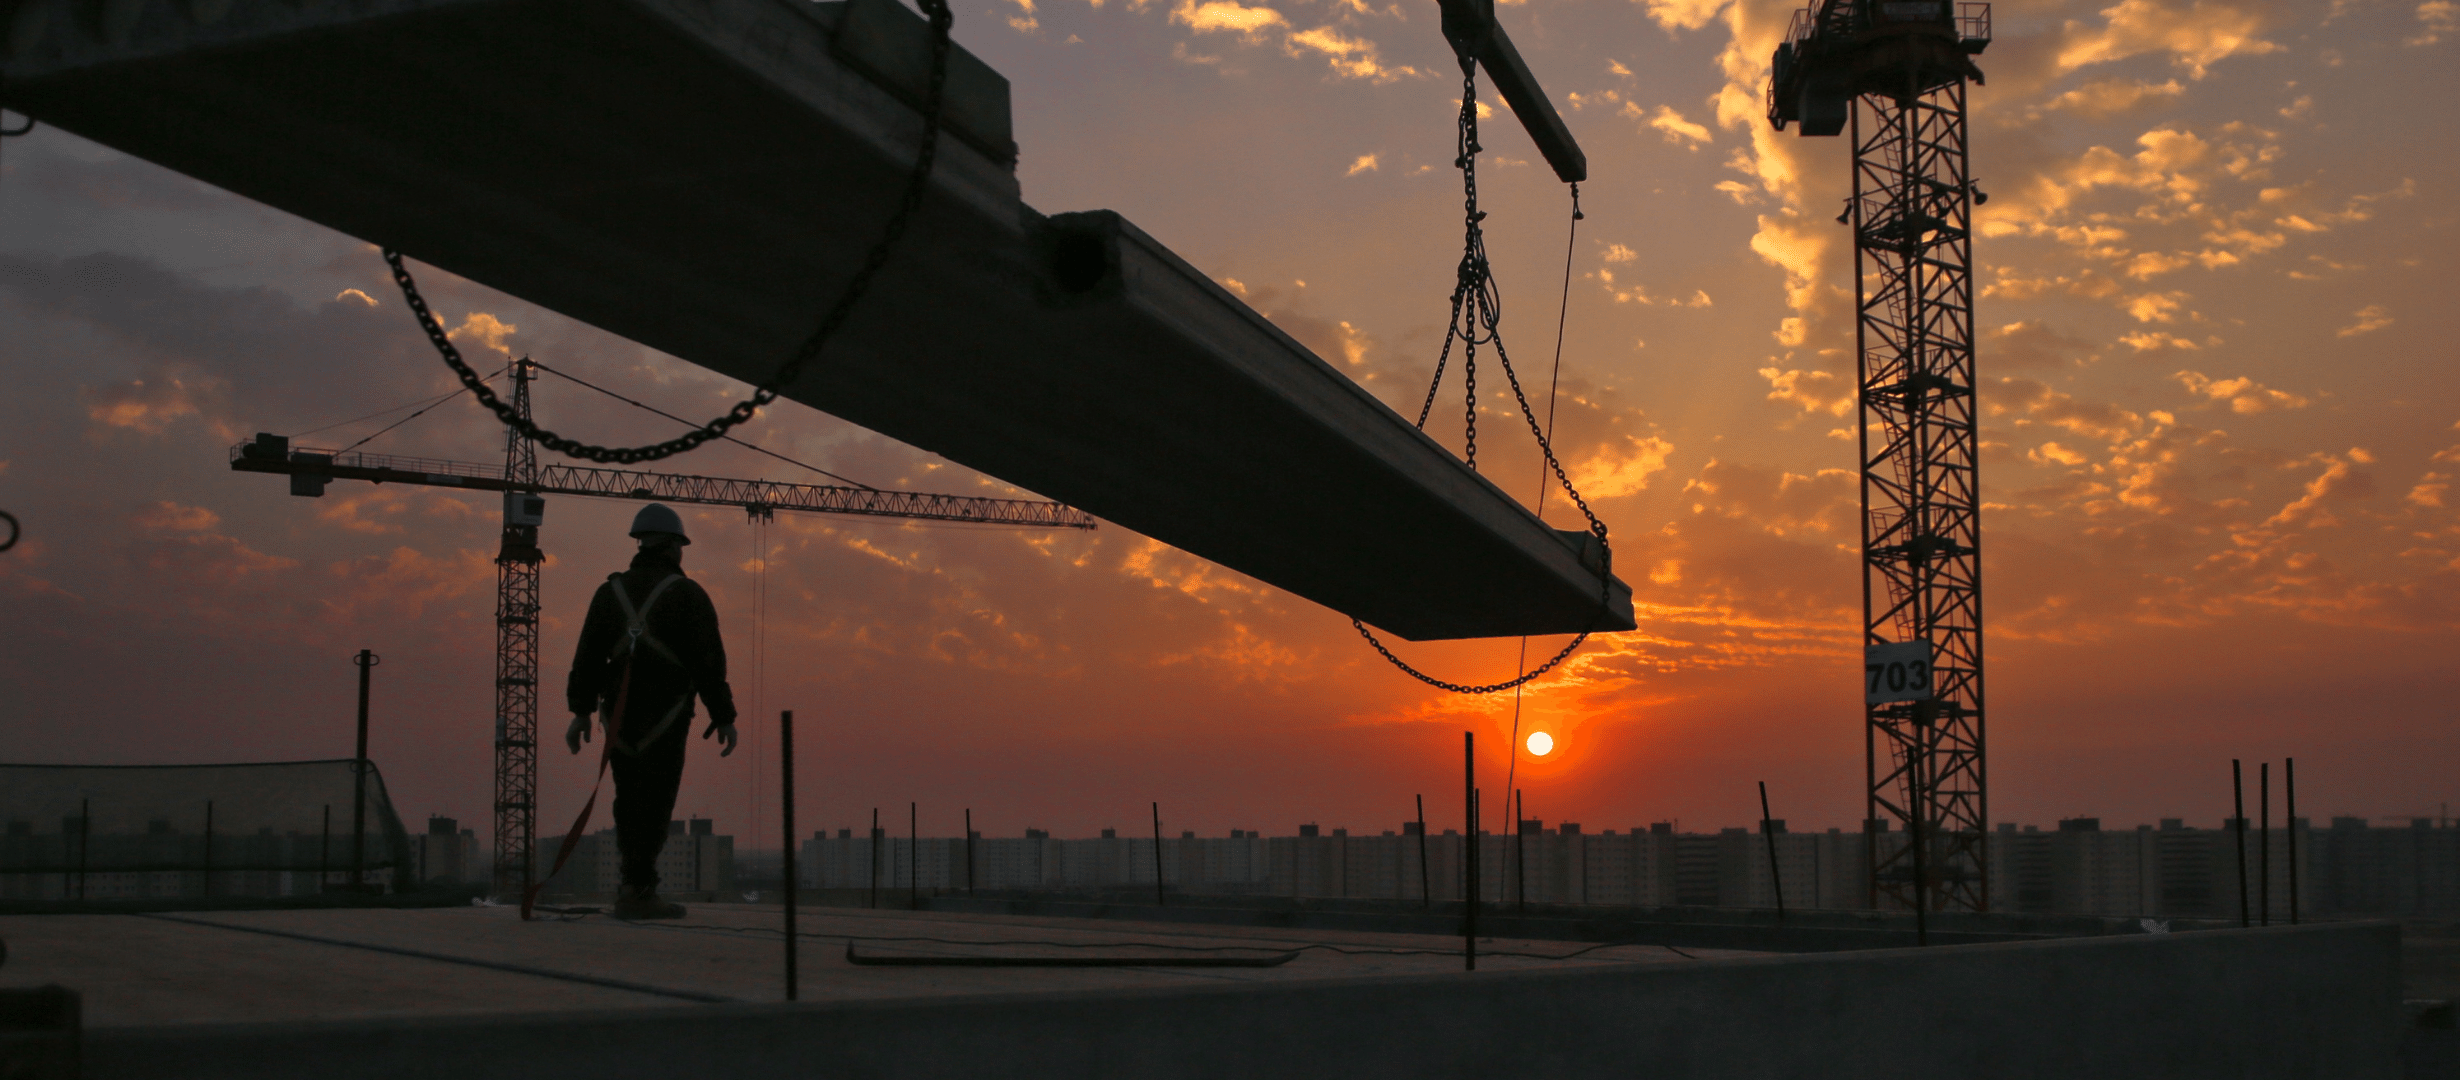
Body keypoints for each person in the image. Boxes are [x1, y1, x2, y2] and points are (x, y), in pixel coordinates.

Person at [564, 503, 739, 920]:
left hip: (619, 718)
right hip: (666, 716)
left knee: (628, 801)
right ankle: (640, 892)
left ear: (639, 544)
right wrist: (724, 715)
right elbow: (708, 662)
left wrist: (581, 713)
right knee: (656, 801)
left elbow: (587, 657)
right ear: (676, 547)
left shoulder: (610, 593)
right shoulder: (688, 595)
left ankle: (632, 886)